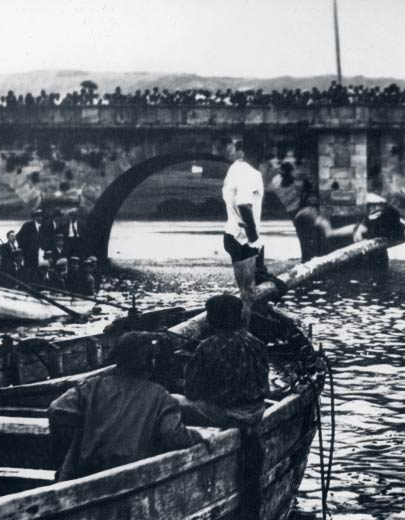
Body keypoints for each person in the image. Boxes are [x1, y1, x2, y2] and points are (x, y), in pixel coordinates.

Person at [48, 331, 199, 481]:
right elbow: (174, 436)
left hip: (88, 470)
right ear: (151, 362)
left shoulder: (91, 387)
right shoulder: (161, 396)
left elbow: (56, 409)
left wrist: (72, 447)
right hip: (134, 478)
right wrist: (198, 437)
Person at [178, 294, 270, 430]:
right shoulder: (257, 343)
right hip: (257, 410)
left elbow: (191, 390)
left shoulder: (208, 346)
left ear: (213, 319)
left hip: (231, 415)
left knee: (169, 402)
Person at [221, 141, 266, 328]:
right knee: (249, 294)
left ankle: (249, 329)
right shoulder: (251, 173)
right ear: (260, 152)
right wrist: (254, 232)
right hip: (244, 239)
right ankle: (245, 336)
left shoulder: (235, 168)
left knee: (248, 291)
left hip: (233, 234)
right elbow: (243, 203)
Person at [16, 209, 44, 274]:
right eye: (37, 216)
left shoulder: (46, 226)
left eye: (41, 216)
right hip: (29, 254)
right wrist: (24, 249)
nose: (40, 218)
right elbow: (18, 237)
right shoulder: (27, 226)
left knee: (41, 270)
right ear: (34, 217)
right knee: (30, 269)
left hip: (42, 254)